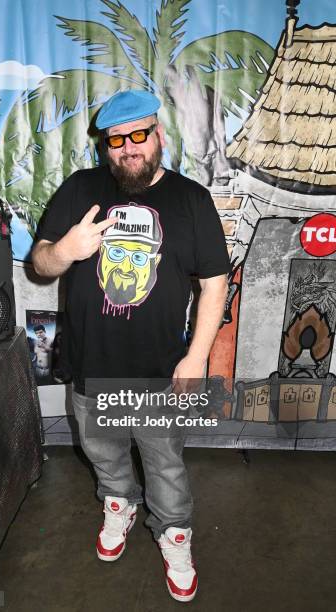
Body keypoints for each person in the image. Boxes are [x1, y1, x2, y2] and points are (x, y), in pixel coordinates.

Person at [32, 90, 230, 603]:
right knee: (105, 456)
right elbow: (40, 264)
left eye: (138, 135)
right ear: (106, 145)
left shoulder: (190, 200)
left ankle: (174, 534)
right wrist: (66, 250)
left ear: (159, 135)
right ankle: (118, 505)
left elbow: (214, 283)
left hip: (160, 372)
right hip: (91, 367)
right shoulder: (81, 190)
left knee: (166, 465)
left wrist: (197, 356)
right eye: (116, 140)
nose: (128, 148)